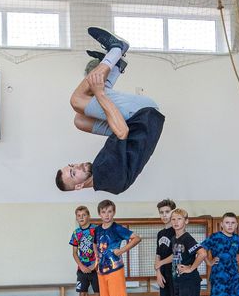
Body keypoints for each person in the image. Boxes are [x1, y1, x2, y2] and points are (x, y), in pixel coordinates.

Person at [55, 27, 165, 194]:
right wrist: (99, 92)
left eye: (71, 165)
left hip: (141, 123)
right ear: (78, 186)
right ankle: (116, 50)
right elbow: (121, 132)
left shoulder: (104, 180)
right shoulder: (105, 172)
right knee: (77, 100)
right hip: (143, 114)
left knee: (80, 120)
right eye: (73, 172)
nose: (76, 165)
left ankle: (116, 67)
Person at [93, 199, 141, 296]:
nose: (106, 215)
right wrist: (97, 260)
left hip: (115, 270)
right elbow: (95, 244)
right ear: (99, 214)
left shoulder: (117, 228)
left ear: (114, 212)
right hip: (102, 271)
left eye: (109, 211)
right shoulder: (98, 229)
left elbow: (136, 238)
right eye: (103, 212)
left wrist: (121, 250)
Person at [69, 205, 111, 296]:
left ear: (88, 216)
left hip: (96, 269)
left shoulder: (95, 230)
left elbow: (102, 248)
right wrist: (81, 266)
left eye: (84, 215)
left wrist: (95, 264)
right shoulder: (76, 233)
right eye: (79, 216)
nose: (81, 218)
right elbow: (74, 253)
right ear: (76, 218)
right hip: (82, 270)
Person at [153, 199, 186, 296]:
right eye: (162, 213)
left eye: (167, 212)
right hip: (164, 273)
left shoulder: (176, 231)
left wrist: (161, 263)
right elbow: (158, 254)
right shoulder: (161, 233)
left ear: (173, 212)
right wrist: (158, 272)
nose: (164, 215)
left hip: (175, 273)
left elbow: (176, 254)